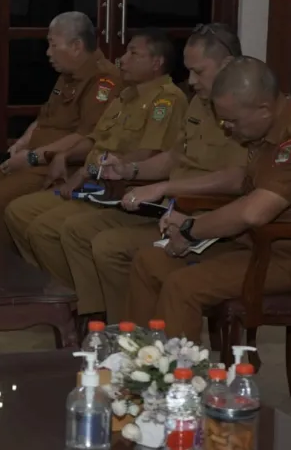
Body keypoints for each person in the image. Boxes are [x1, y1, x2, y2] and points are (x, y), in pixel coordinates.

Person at [125, 56, 291, 341]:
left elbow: (253, 212)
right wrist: (172, 195)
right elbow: (243, 180)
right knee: (149, 262)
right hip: (254, 243)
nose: (226, 127)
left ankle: (176, 370)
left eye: (231, 121)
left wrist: (191, 229)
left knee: (183, 285)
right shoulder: (267, 126)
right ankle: (138, 358)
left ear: (263, 109)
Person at [59, 24, 247, 323]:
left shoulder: (243, 111)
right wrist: (130, 169)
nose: (191, 81)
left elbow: (237, 178)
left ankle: (129, 329)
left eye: (198, 71)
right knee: (77, 229)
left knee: (109, 246)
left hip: (206, 217)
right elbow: (173, 157)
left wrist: (164, 187)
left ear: (226, 65)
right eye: (189, 71)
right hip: (170, 208)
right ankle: (105, 322)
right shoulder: (199, 102)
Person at [4, 29, 186, 287]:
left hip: (119, 190)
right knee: (18, 212)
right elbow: (94, 138)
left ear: (156, 63)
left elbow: (149, 154)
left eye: (133, 54)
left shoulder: (167, 101)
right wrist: (66, 155)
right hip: (92, 182)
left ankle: (75, 295)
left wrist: (87, 171)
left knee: (45, 228)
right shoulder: (126, 96)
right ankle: (60, 288)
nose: (123, 59)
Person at [0, 11, 123, 249]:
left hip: (56, 164)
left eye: (53, 45)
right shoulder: (67, 74)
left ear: (76, 46)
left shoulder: (104, 80)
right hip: (33, 156)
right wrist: (22, 143)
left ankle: (6, 261)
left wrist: (33, 157)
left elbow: (85, 137)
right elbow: (44, 117)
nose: (48, 52)